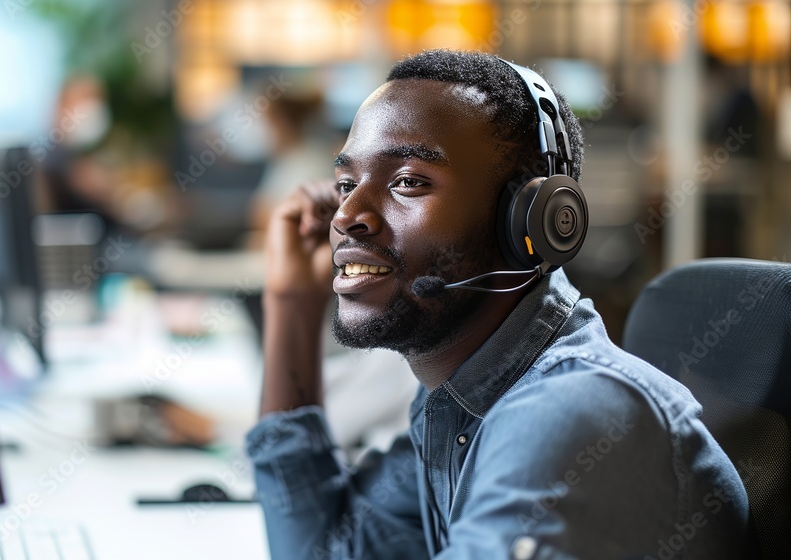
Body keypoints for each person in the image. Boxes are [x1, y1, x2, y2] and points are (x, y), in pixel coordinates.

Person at [245, 50, 752, 559]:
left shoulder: (572, 414)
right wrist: (290, 300)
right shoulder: (456, 407)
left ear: (531, 221)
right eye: (346, 184)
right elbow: (323, 550)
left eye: (408, 182)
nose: (347, 215)